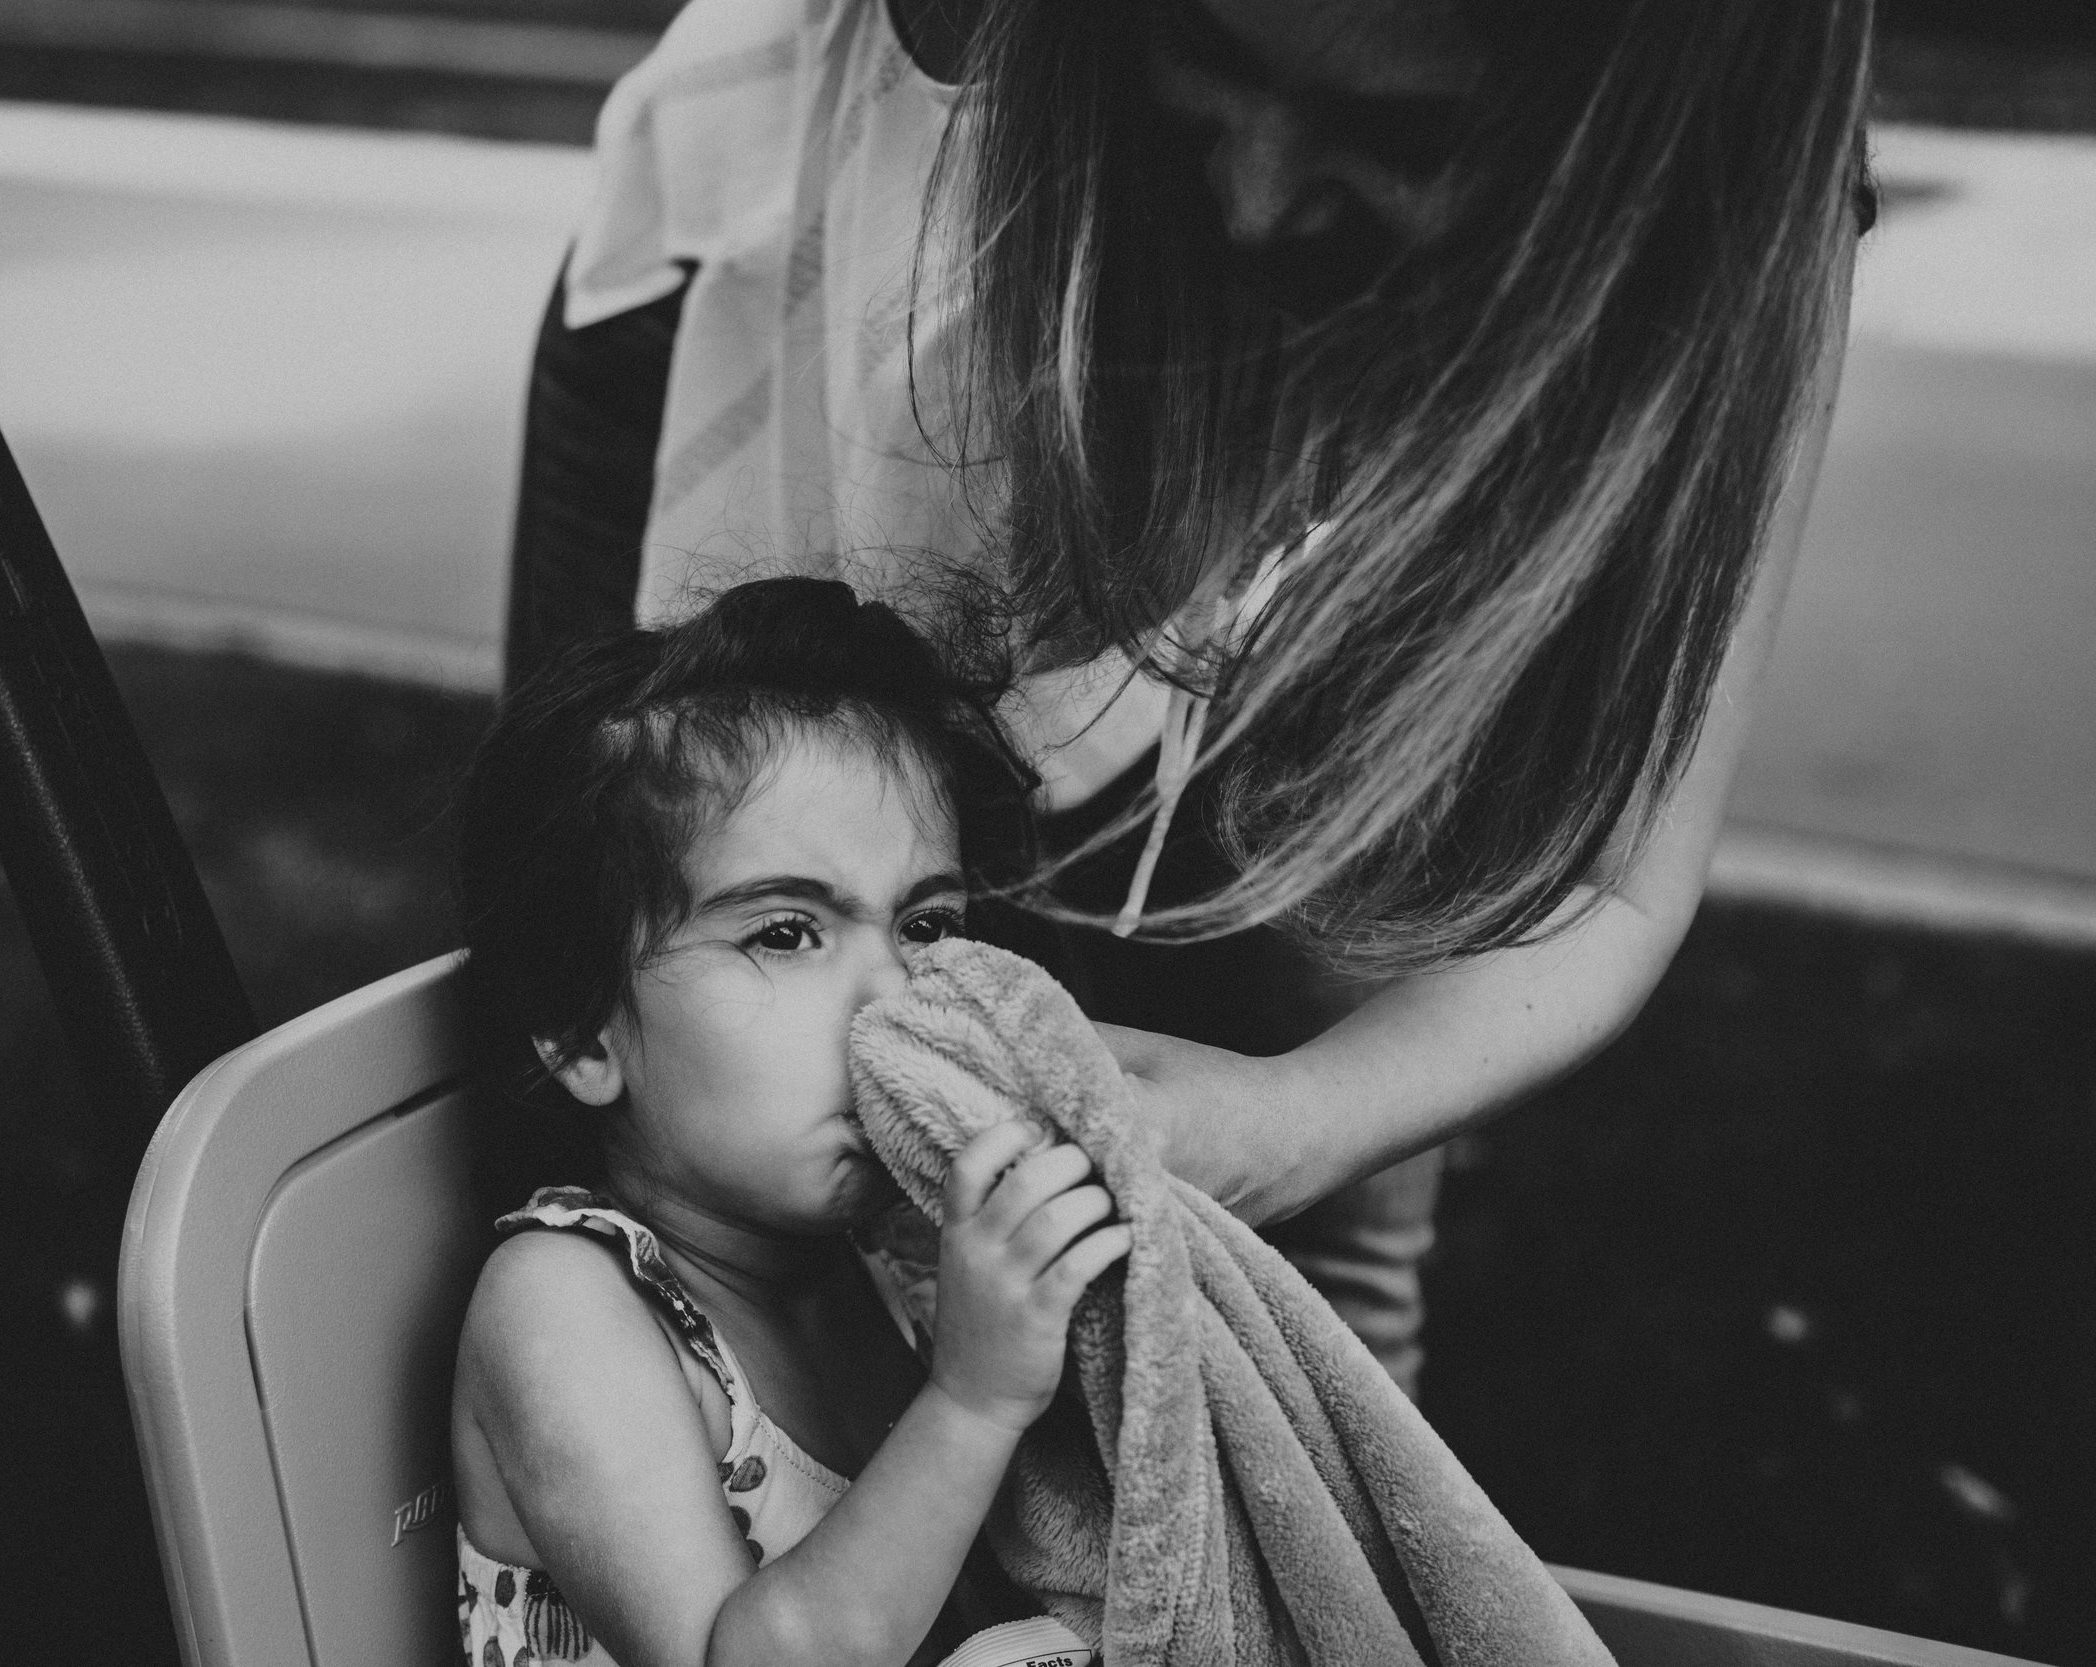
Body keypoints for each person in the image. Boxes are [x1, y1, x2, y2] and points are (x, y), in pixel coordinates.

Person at [502, 0, 1876, 1394]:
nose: (1262, 193)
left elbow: (1609, 885)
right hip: (784, 256)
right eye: (1209, 52)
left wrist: (1307, 1114)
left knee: (1317, 1107)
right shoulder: (968, 185)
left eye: (1400, 131)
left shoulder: (1731, 208)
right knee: (655, 940)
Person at [450, 578, 1117, 1667]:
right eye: (785, 932)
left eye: (927, 922)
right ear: (580, 1032)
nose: (891, 998)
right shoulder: (564, 1306)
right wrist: (973, 1398)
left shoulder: (890, 1260)